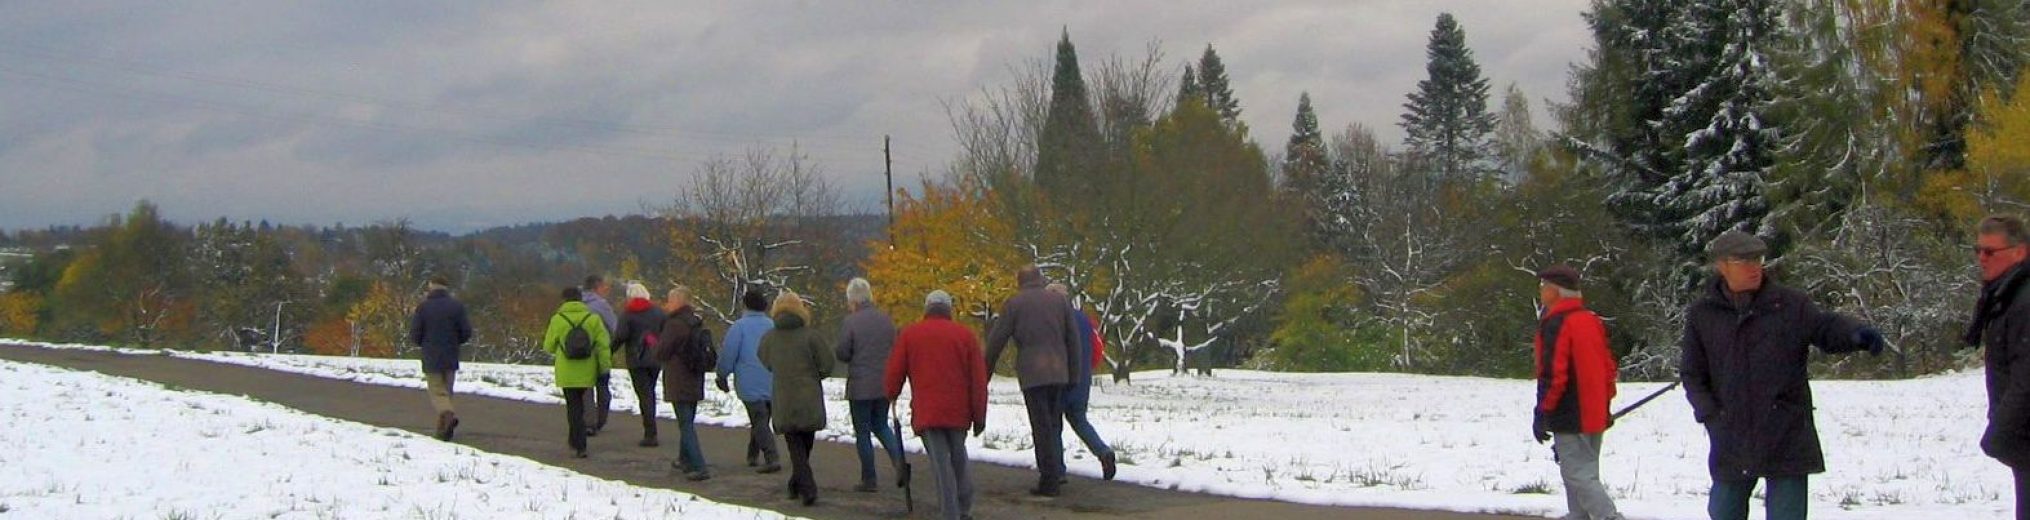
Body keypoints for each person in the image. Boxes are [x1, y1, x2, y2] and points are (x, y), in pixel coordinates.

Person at [1681, 229, 1886, 520]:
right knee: (1724, 511)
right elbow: (1692, 374)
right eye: (1744, 261)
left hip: (1785, 430)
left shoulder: (1790, 304)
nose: (1755, 267)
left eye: (1758, 259)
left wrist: (1855, 333)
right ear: (1722, 265)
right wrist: (1712, 415)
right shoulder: (1703, 314)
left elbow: (1824, 327)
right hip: (1731, 435)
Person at [1528, 265, 1622, 520]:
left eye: (1543, 287)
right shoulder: (1590, 320)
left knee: (1578, 474)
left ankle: (1609, 517)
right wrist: (1605, 405)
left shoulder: (1555, 323)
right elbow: (1608, 368)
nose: (1541, 292)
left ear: (1555, 291)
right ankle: (1578, 515)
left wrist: (1543, 412)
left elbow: (1553, 375)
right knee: (1583, 471)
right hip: (1594, 411)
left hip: (1571, 411)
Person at [886, 290, 989, 520]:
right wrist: (979, 415)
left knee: (941, 463)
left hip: (928, 409)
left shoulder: (910, 334)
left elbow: (895, 371)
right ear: (948, 309)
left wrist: (891, 393)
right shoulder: (965, 336)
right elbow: (978, 379)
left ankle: (949, 512)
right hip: (959, 411)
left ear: (927, 308)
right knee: (959, 456)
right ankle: (964, 508)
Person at [984, 265, 1082, 497]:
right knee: (1053, 423)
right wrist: (1074, 375)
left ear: (1020, 281)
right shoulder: (1059, 302)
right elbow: (1073, 340)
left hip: (1032, 373)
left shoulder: (1014, 304)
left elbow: (996, 342)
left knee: (1041, 426)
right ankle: (1056, 470)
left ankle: (1049, 479)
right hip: (1059, 371)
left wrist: (984, 373)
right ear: (1040, 279)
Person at [1967, 215, 2030, 519]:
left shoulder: (2023, 301)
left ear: (2019, 252)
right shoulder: (2005, 294)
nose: (1981, 258)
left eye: (1990, 252)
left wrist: (2001, 433)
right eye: (1978, 250)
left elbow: (2026, 378)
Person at [758, 290, 836, 506]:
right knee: (805, 442)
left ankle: (797, 483)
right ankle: (807, 487)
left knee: (795, 443)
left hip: (784, 396)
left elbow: (764, 360)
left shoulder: (769, 338)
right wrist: (815, 375)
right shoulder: (811, 336)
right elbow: (828, 363)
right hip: (809, 394)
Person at [835, 277, 905, 492]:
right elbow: (895, 349)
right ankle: (899, 462)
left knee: (863, 432)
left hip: (860, 386)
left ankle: (869, 478)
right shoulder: (886, 320)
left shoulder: (851, 322)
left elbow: (843, 352)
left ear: (853, 300)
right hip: (883, 384)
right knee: (881, 425)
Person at [1045, 282, 1116, 481]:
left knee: (1053, 425)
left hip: (1059, 379)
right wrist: (1086, 370)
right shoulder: (1085, 319)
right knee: (1079, 420)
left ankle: (1058, 472)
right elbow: (1097, 350)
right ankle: (1103, 451)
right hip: (1082, 380)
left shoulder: (1054, 319)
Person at [543, 286, 613, 458]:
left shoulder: (558, 319)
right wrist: (605, 367)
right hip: (587, 369)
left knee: (572, 406)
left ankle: (577, 442)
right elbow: (603, 346)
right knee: (582, 404)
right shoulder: (593, 319)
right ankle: (578, 441)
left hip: (566, 371)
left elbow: (548, 346)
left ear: (564, 300)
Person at [718, 289, 782, 473]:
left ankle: (772, 457)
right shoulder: (773, 326)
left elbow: (729, 354)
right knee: (761, 418)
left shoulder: (739, 327)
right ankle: (752, 454)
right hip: (771, 380)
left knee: (759, 419)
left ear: (745, 305)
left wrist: (722, 375)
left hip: (749, 381)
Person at [654, 285, 713, 481]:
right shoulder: (696, 322)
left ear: (678, 301)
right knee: (687, 419)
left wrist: (652, 343)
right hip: (695, 376)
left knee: (685, 423)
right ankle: (684, 458)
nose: (667, 305)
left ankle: (698, 464)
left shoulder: (674, 325)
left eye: (670, 300)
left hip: (678, 377)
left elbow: (662, 352)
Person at [407, 276, 472, 441]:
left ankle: (447, 417)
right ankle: (442, 430)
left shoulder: (423, 308)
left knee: (437, 393)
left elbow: (415, 334)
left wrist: (423, 343)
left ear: (431, 287)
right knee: (447, 392)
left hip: (431, 355)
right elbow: (466, 332)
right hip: (451, 354)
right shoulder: (457, 307)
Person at [611, 282, 666, 447]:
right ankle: (651, 430)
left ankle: (650, 433)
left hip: (636, 360)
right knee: (650, 392)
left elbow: (620, 336)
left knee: (644, 395)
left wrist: (608, 352)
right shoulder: (658, 312)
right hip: (656, 358)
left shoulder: (627, 314)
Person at [581, 275, 619, 436]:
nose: (606, 290)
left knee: (585, 388)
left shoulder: (576, 304)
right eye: (604, 286)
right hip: (599, 352)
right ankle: (600, 420)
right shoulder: (601, 305)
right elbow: (615, 327)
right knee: (602, 386)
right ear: (596, 287)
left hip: (580, 352)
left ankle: (588, 421)